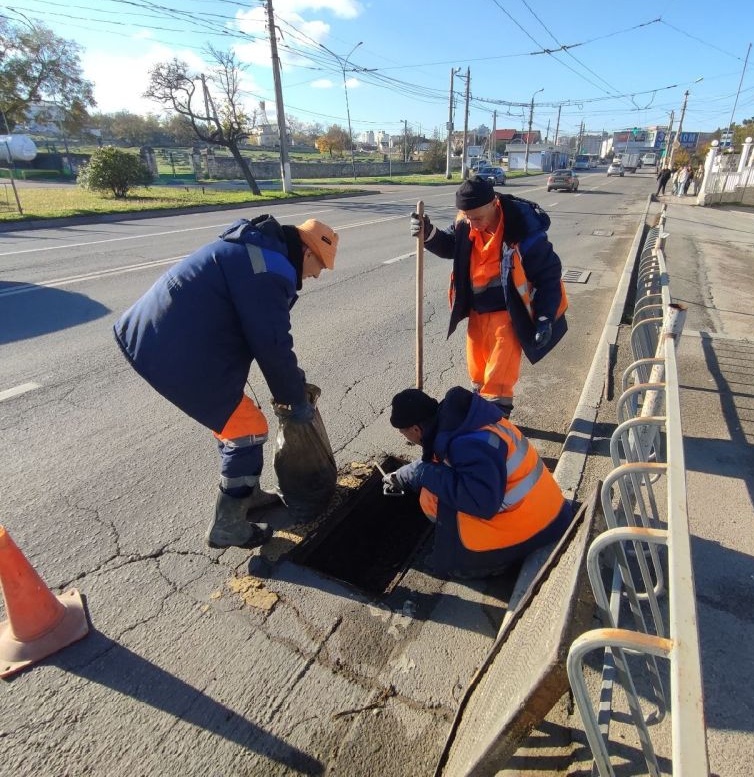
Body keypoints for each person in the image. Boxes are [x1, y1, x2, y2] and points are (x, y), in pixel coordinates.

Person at [113, 215, 339, 550]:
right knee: (248, 431)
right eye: (319, 266)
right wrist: (295, 402)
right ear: (307, 252)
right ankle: (227, 525)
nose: (316, 275)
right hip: (172, 351)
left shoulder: (260, 252)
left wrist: (293, 387)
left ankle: (247, 493)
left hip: (164, 337)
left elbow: (260, 336)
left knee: (236, 421)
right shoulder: (270, 270)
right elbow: (273, 345)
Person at [410, 177, 567, 417]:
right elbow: (451, 245)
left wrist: (545, 317)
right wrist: (428, 234)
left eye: (478, 218)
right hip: (478, 311)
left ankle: (495, 423)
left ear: (494, 203)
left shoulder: (522, 229)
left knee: (498, 377)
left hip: (508, 314)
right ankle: (481, 413)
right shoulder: (466, 222)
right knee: (478, 371)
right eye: (468, 217)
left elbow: (549, 274)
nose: (473, 225)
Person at [385, 386, 573, 578]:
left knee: (432, 499)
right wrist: (403, 475)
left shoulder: (467, 445)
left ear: (416, 429)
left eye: (404, 433)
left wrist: (423, 473)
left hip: (540, 527)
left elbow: (482, 503)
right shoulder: (463, 423)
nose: (407, 438)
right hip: (546, 507)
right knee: (437, 481)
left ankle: (485, 562)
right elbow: (435, 461)